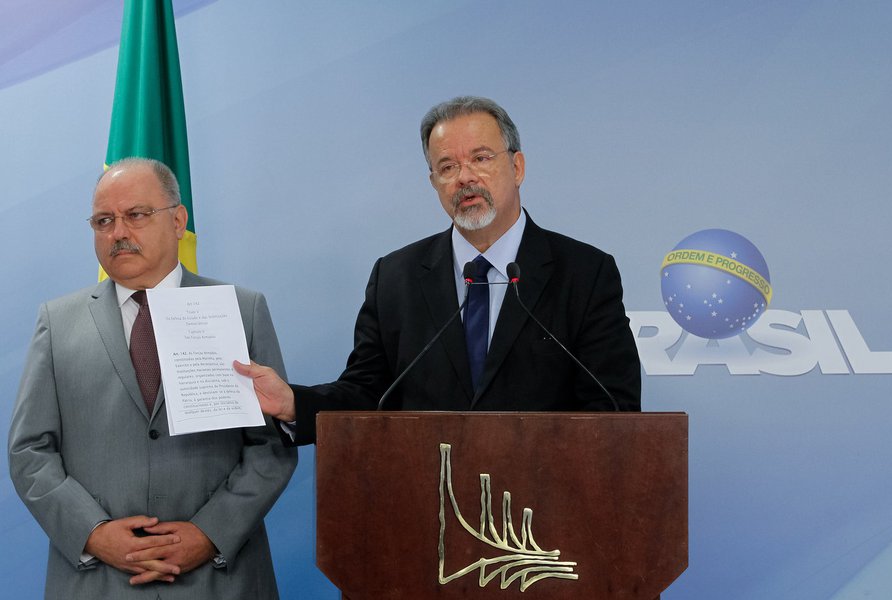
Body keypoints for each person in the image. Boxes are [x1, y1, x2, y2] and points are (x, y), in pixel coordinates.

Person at [236, 95, 641, 445]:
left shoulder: (585, 274)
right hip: (426, 506)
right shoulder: (395, 277)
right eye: (447, 167)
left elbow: (612, 408)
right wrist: (293, 403)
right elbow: (366, 394)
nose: (464, 178)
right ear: (433, 181)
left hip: (543, 516)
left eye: (481, 158)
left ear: (517, 167)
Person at [8, 158, 296, 599]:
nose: (118, 232)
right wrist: (94, 533)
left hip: (220, 581)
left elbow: (272, 447)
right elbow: (30, 450)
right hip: (96, 581)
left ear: (178, 221)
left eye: (136, 215)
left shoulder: (242, 310)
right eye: (104, 221)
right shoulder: (57, 322)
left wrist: (208, 533)